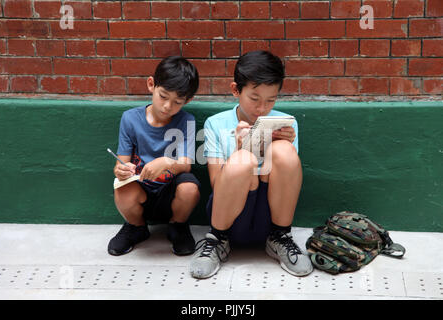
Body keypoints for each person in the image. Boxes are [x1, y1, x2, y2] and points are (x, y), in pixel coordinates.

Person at [189, 50, 313, 278]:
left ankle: (281, 238)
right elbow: (218, 184)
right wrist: (241, 149)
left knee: (284, 151)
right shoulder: (215, 124)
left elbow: (288, 178)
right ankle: (216, 241)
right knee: (243, 160)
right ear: (236, 90)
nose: (262, 108)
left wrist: (273, 147)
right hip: (228, 219)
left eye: (271, 100)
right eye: (254, 98)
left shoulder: (286, 124)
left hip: (271, 219)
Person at [108, 56, 201, 257]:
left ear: (188, 100)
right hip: (140, 188)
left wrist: (167, 162)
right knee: (121, 187)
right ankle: (136, 227)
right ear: (151, 85)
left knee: (189, 188)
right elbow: (120, 163)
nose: (168, 106)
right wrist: (120, 170)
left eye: (178, 101)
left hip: (170, 191)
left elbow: (186, 165)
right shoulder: (130, 118)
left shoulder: (186, 120)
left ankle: (178, 226)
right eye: (163, 96)